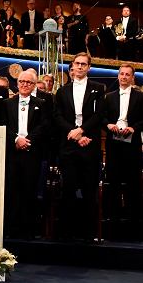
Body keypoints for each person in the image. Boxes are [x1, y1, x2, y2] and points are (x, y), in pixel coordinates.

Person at [53, 52, 105, 240]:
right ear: (72, 66)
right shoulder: (62, 91)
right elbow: (57, 116)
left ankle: (89, 233)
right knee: (68, 189)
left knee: (89, 190)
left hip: (89, 144)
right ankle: (67, 233)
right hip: (69, 146)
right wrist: (74, 133)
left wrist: (82, 131)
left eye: (84, 64)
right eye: (77, 63)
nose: (80, 66)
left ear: (89, 67)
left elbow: (99, 115)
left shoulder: (98, 88)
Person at [0, 69, 48, 238]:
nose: (25, 84)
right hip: (12, 152)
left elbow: (44, 126)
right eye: (22, 81)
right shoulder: (6, 103)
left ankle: (28, 230)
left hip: (32, 152)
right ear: (17, 83)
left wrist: (27, 140)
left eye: (28, 82)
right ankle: (10, 229)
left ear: (34, 85)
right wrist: (16, 139)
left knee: (30, 190)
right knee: (12, 190)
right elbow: (2, 124)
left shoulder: (42, 103)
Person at [102, 65, 143, 241]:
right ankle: (112, 225)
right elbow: (102, 117)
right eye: (121, 74)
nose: (124, 77)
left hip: (132, 145)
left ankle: (133, 226)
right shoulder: (109, 97)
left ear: (132, 77)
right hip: (113, 145)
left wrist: (134, 128)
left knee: (133, 185)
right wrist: (108, 125)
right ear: (118, 76)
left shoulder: (141, 97)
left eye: (127, 74)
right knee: (112, 183)